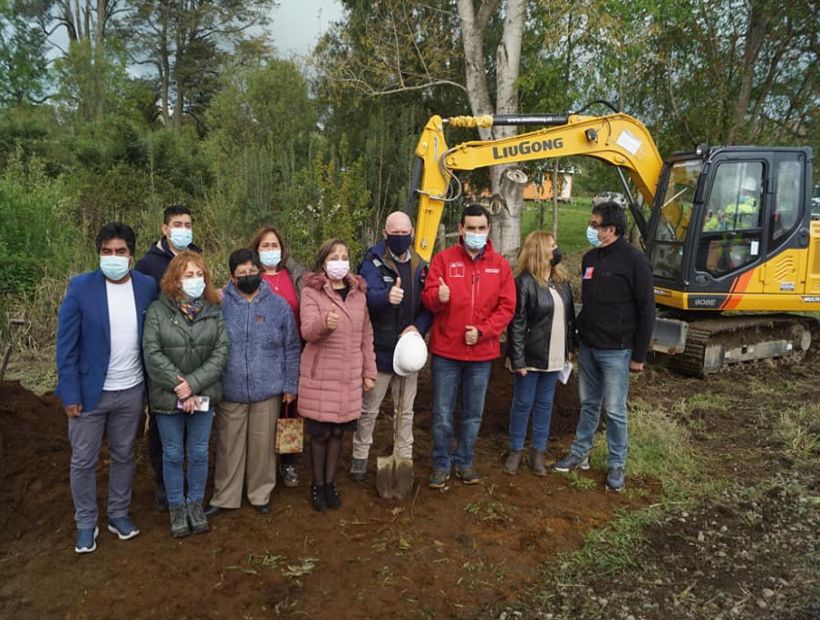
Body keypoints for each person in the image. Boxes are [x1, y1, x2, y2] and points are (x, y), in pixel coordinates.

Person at [56, 222, 157, 554]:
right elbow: (65, 347)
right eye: (106, 252)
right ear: (98, 254)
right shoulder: (80, 288)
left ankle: (117, 514)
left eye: (120, 252)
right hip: (89, 393)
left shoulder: (146, 286)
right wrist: (69, 394)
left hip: (130, 390)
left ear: (131, 255)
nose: (113, 257)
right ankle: (86, 522)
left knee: (124, 454)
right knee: (83, 460)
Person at [552, 201, 655, 492]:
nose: (591, 228)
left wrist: (639, 355)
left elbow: (647, 309)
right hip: (590, 346)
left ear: (611, 229)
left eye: (594, 224)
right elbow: (590, 303)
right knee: (588, 404)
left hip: (617, 350)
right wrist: (576, 338)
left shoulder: (635, 261)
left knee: (614, 409)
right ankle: (580, 452)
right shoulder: (590, 259)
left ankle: (616, 464)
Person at [421, 204, 516, 488]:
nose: (476, 233)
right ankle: (441, 463)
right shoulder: (443, 261)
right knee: (441, 412)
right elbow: (427, 299)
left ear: (488, 229)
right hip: (446, 352)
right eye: (471, 228)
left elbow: (507, 306)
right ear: (461, 229)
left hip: (481, 353)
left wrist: (484, 331)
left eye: (481, 228)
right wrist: (439, 296)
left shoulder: (499, 265)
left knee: (473, 413)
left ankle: (464, 461)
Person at [206, 249, 300, 517]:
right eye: (242, 273)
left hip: (268, 389)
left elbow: (291, 347)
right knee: (229, 446)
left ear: (260, 272)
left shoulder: (278, 306)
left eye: (252, 271)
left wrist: (290, 385)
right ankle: (225, 496)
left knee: (262, 447)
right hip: (230, 388)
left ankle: (260, 492)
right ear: (232, 277)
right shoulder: (220, 305)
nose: (248, 276)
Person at [142, 251, 229, 537]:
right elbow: (152, 352)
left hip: (202, 393)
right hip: (168, 396)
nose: (195, 280)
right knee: (173, 453)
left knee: (200, 452)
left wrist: (193, 385)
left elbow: (220, 352)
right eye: (188, 275)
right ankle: (176, 507)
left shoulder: (213, 309)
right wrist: (180, 387)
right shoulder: (157, 311)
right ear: (175, 280)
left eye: (199, 275)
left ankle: (195, 504)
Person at [351, 211, 433, 481]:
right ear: (385, 235)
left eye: (405, 233)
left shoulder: (421, 265)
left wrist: (418, 328)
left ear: (412, 233)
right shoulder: (372, 263)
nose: (400, 238)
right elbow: (365, 298)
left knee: (405, 411)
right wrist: (387, 297)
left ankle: (403, 458)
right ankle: (359, 459)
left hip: (408, 353)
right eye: (395, 234)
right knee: (369, 409)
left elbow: (428, 308)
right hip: (380, 351)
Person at [298, 239, 377, 512]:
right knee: (319, 434)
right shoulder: (312, 292)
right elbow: (307, 330)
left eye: (344, 256)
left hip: (348, 374)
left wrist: (369, 371)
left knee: (337, 433)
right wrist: (324, 324)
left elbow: (366, 335)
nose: (340, 261)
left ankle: (330, 483)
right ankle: (317, 485)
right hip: (321, 374)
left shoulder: (358, 294)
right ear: (323, 262)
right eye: (334, 256)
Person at [134, 204, 202, 511]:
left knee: (195, 421)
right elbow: (145, 312)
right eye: (177, 224)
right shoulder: (148, 264)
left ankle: (192, 480)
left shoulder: (196, 256)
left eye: (188, 223)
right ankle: (164, 482)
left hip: (196, 354)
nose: (183, 229)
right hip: (163, 356)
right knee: (164, 424)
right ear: (165, 228)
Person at [503, 231, 575, 476]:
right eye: (552, 245)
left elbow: (569, 319)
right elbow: (517, 323)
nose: (557, 250)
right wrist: (518, 358)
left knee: (545, 405)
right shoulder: (524, 282)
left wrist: (568, 351)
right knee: (523, 403)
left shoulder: (562, 282)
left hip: (555, 355)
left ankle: (538, 453)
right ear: (539, 251)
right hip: (531, 356)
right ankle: (515, 451)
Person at [249, 225, 307, 488]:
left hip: (294, 349)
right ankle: (262, 463)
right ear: (256, 250)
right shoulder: (250, 277)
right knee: (265, 410)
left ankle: (288, 461)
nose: (271, 250)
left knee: (290, 409)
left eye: (274, 246)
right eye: (265, 246)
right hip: (263, 353)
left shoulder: (295, 276)